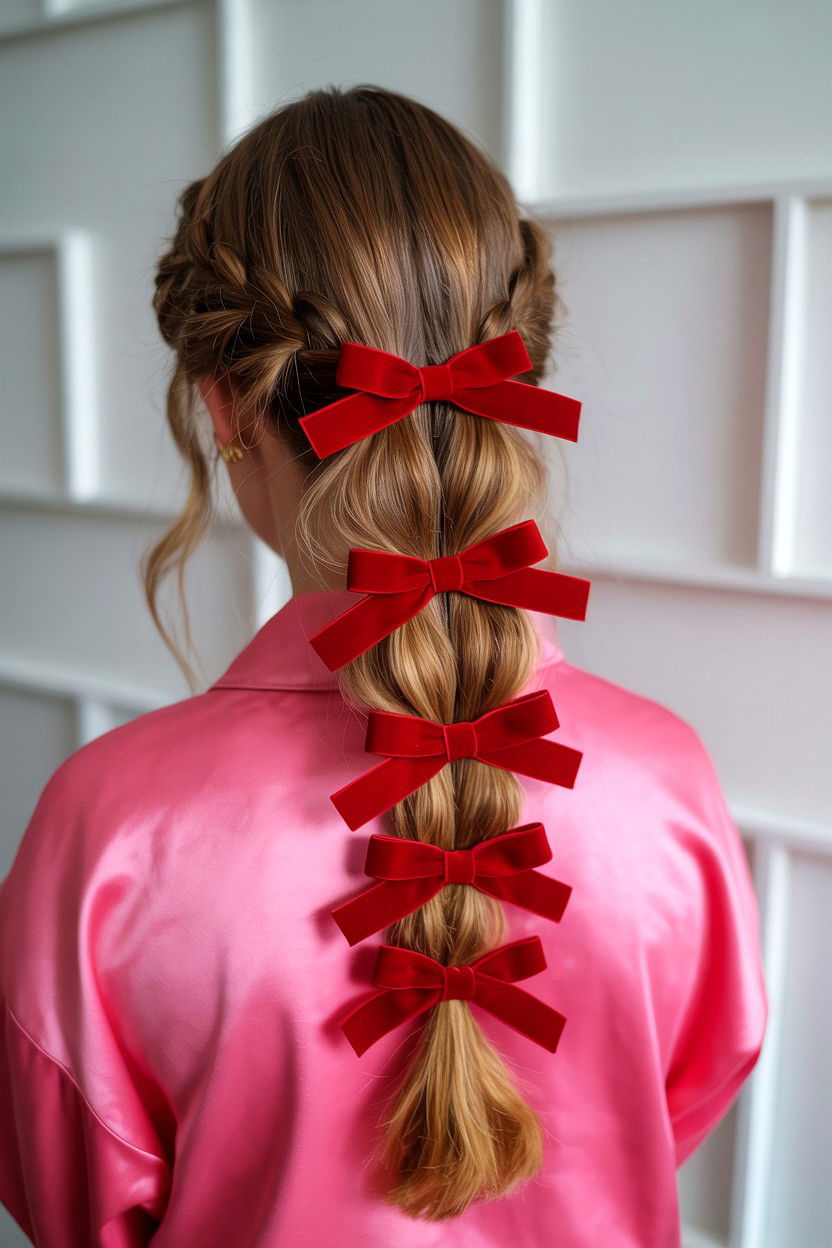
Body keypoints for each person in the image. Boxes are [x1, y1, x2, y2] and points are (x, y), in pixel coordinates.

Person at [0, 84, 767, 1247]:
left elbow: (72, 1206)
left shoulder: (109, 834)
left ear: (225, 406)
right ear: (516, 381)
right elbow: (678, 1107)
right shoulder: (670, 785)